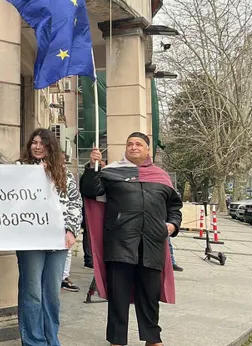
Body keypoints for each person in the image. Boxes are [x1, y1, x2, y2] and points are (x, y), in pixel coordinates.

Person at [80, 132, 182, 346]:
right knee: (119, 296)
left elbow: (174, 206)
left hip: (152, 244)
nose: (134, 147)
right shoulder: (111, 172)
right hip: (120, 243)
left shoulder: (161, 177)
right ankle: (117, 339)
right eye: (130, 144)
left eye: (139, 144)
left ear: (147, 150)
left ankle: (152, 338)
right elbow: (90, 190)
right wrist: (92, 167)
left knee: (150, 296)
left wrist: (172, 225)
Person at [16, 128, 82, 346]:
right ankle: (34, 341)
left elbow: (75, 204)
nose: (37, 146)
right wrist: (35, 177)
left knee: (52, 293)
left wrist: (71, 230)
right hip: (30, 240)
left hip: (58, 242)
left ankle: (51, 338)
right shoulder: (20, 169)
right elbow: (9, 197)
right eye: (34, 142)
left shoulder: (65, 173)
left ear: (50, 147)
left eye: (42, 143)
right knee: (32, 291)